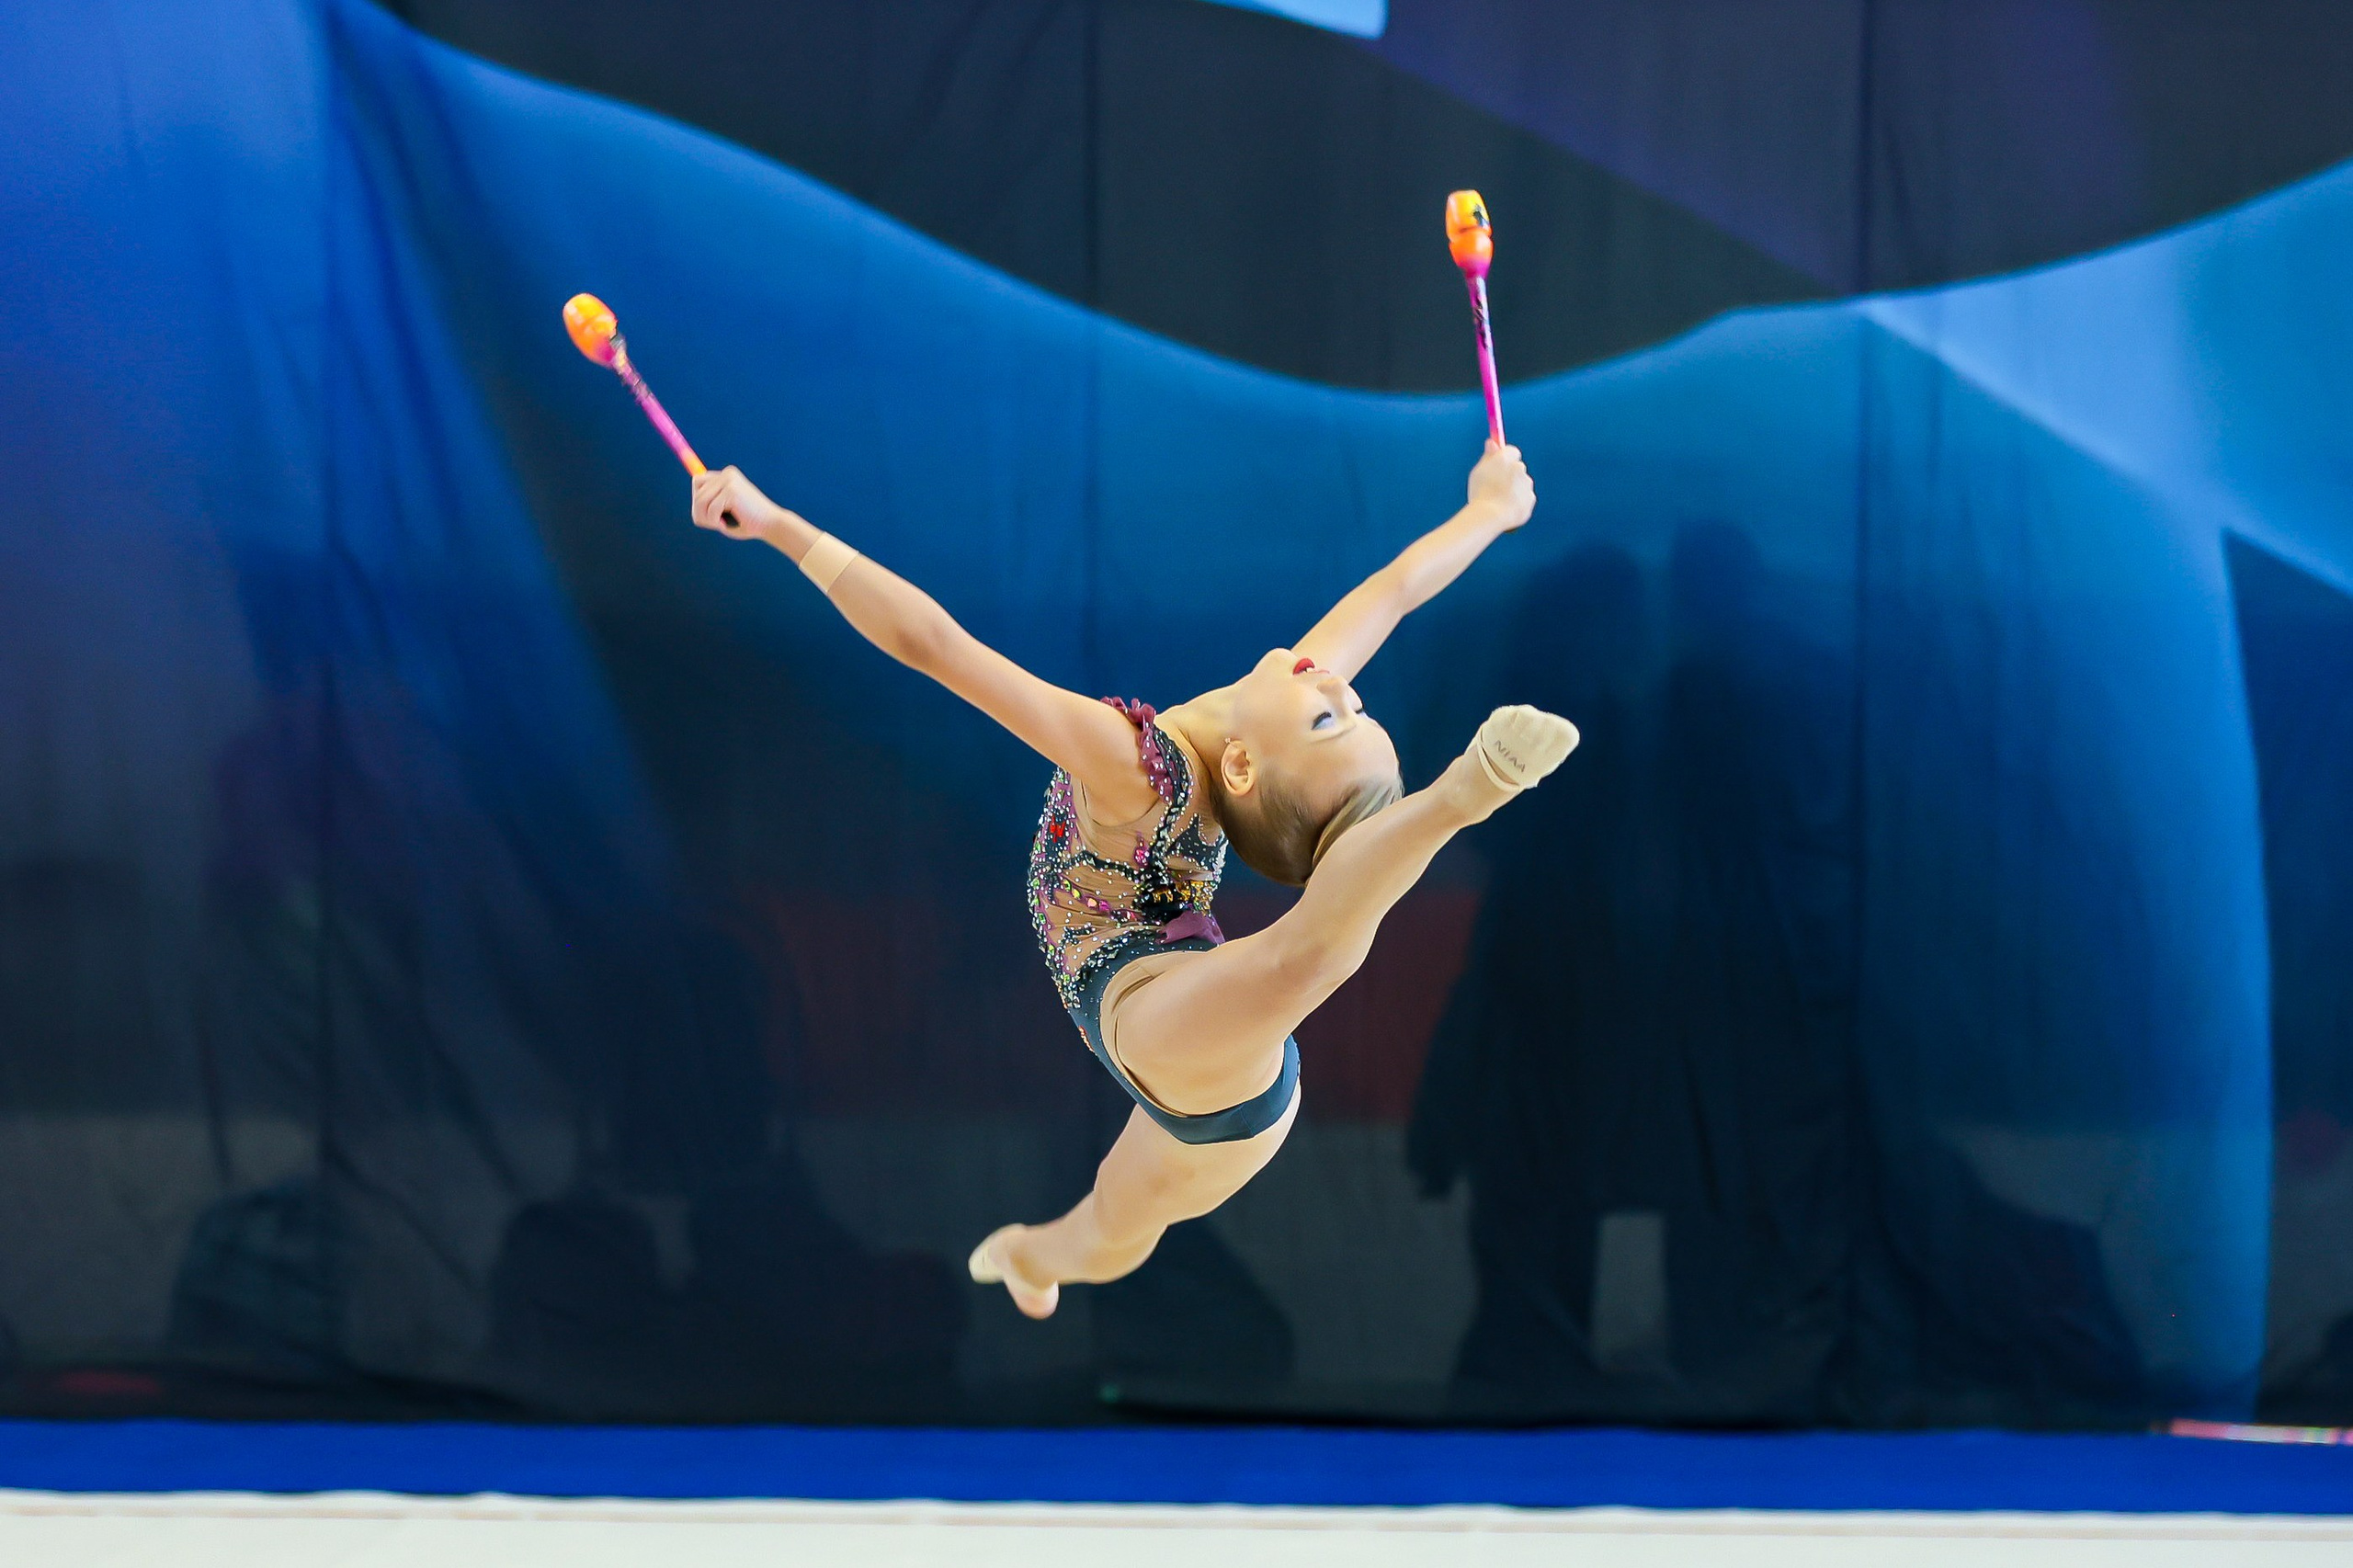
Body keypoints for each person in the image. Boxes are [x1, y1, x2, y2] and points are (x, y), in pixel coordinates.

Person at [688, 443, 1577, 1319]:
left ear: (1240, 768)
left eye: (1327, 715)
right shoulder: (1271, 715)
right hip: (1232, 1081)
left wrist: (778, 527)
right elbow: (1395, 589)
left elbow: (933, 645)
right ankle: (1036, 1257)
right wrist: (1487, 513)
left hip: (1164, 1011)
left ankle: (1464, 794)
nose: (1337, 686)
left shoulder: (1136, 770)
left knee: (1295, 963)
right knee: (1109, 1237)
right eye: (1352, 708)